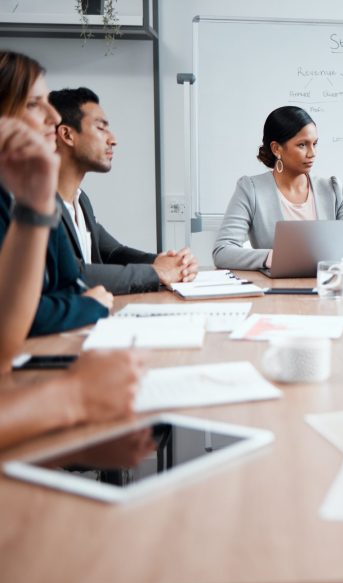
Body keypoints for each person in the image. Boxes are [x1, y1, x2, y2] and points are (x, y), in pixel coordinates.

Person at [0, 112, 140, 450]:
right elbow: (26, 311)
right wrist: (72, 399)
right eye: (36, 103)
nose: (51, 116)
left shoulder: (31, 198)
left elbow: (70, 280)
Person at [0, 50, 110, 335]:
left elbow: (72, 286)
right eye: (35, 105)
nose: (54, 117)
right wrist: (87, 306)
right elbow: (14, 314)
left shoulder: (37, 192)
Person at [49, 87, 198, 295]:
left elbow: (114, 252)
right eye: (101, 128)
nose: (113, 140)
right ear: (67, 134)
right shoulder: (36, 204)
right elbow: (72, 273)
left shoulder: (80, 200)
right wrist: (156, 273)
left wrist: (165, 262)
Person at [212, 106, 343, 270]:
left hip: (327, 287)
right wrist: (273, 257)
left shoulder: (332, 189)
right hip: (277, 290)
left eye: (314, 144)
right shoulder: (250, 190)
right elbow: (222, 252)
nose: (312, 153)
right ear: (276, 149)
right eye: (302, 145)